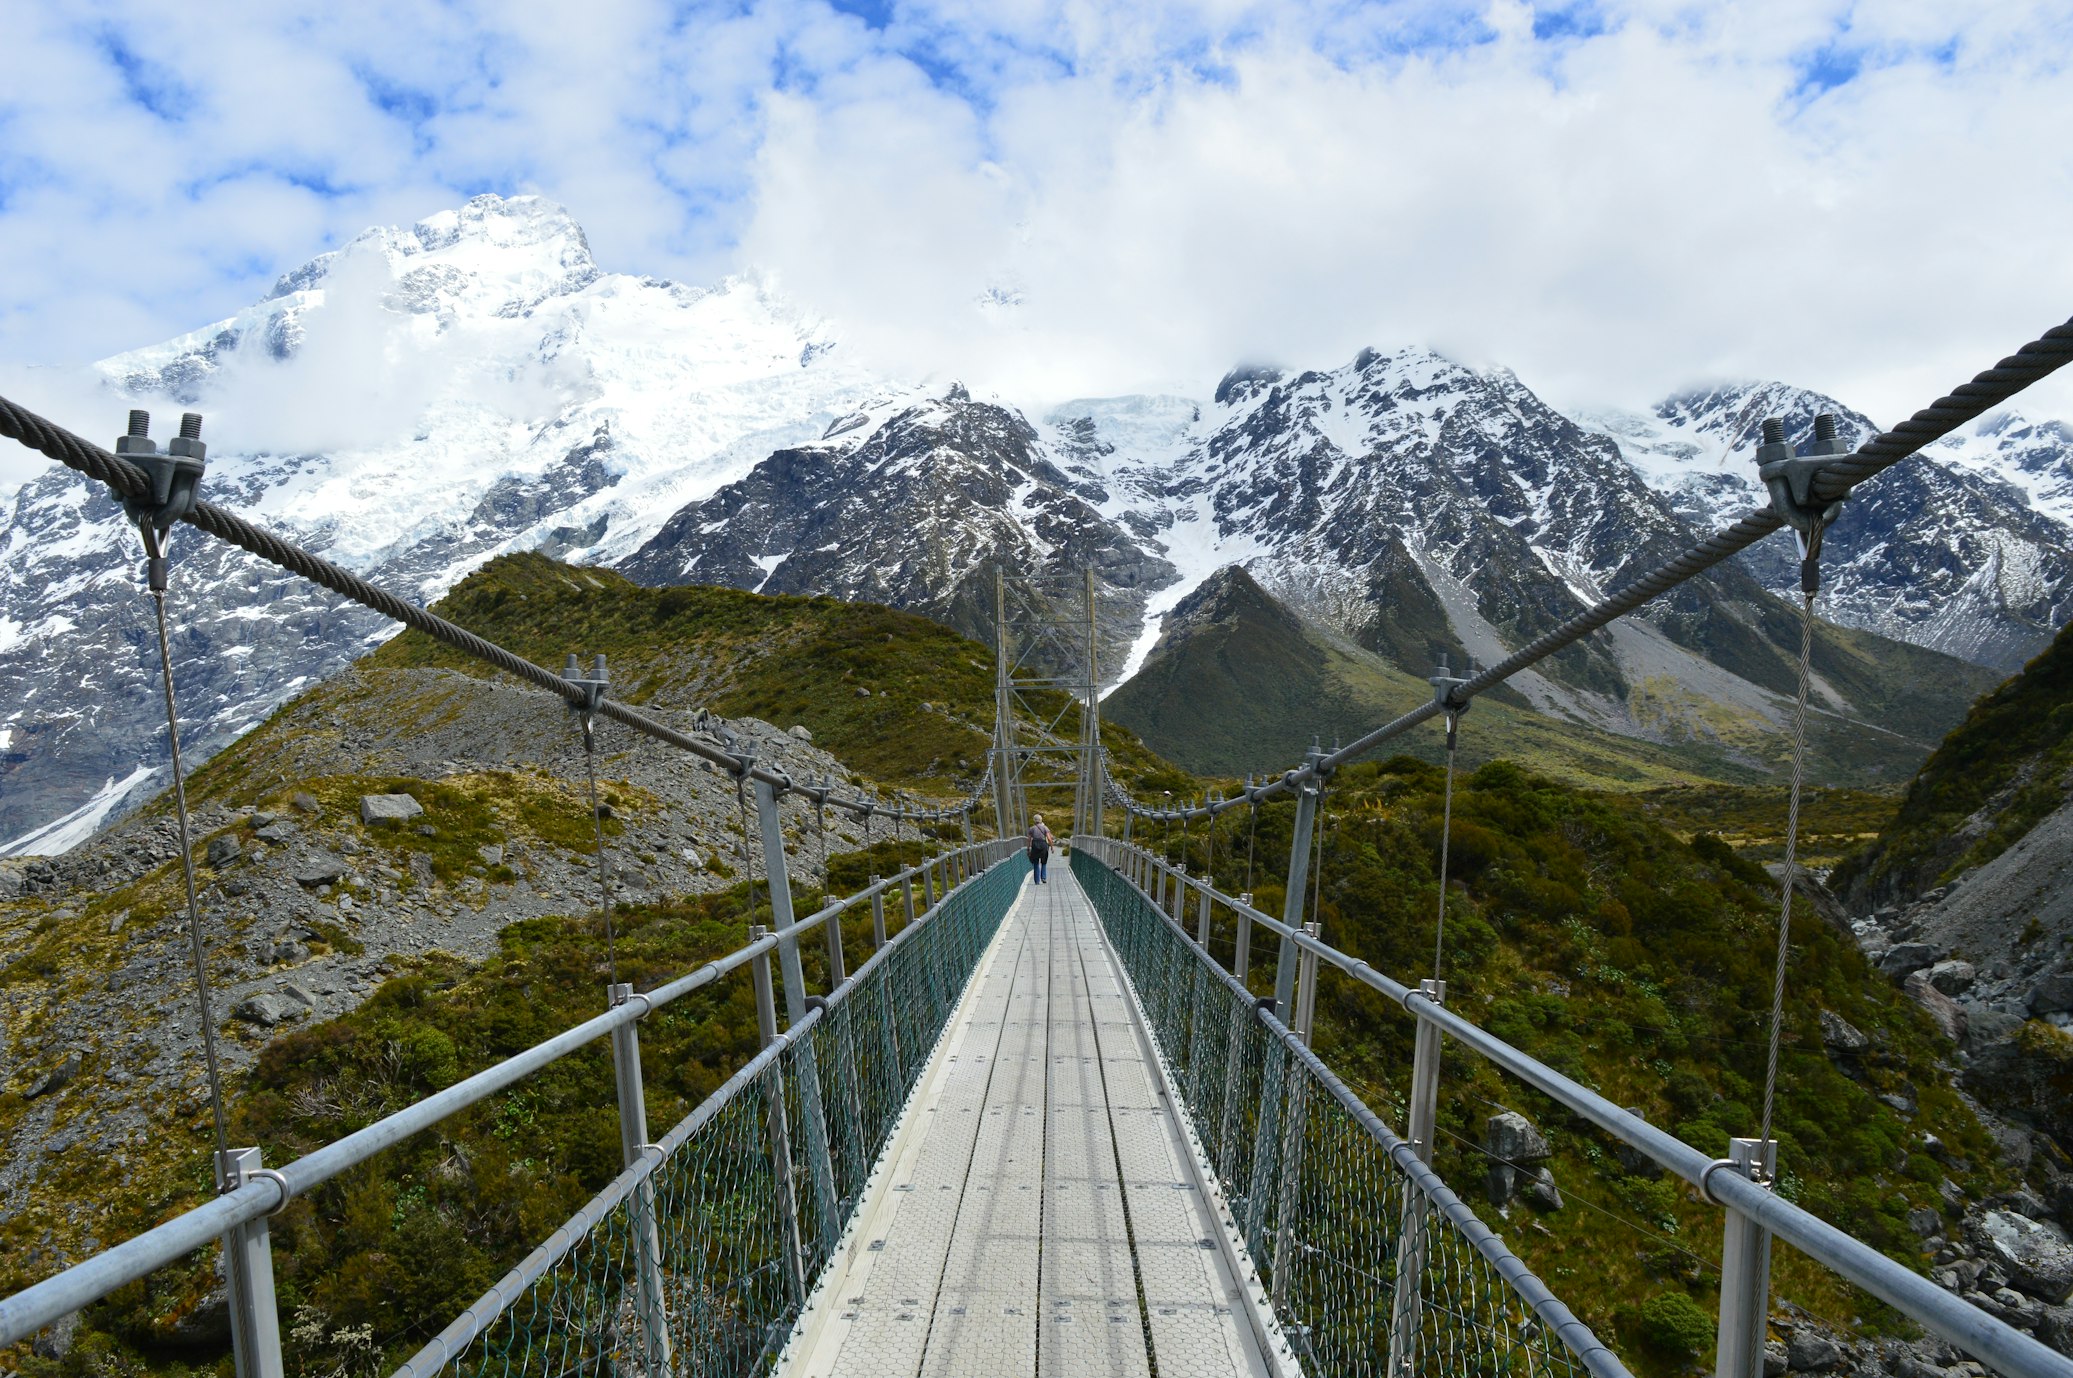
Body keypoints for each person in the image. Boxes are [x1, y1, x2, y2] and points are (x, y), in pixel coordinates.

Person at [1027, 814, 1054, 884]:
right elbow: (1049, 838)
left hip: (1035, 845)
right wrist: (1052, 847)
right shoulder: (1045, 828)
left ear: (1034, 820)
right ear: (1041, 820)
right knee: (1044, 862)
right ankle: (1043, 877)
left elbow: (1029, 839)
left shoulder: (1032, 828)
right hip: (1043, 845)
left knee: (1036, 863)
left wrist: (1028, 848)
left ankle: (1037, 881)